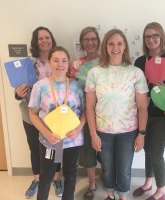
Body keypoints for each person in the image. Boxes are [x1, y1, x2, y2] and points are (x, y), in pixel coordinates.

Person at [85, 28, 149, 200]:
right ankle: (110, 195)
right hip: (102, 131)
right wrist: (93, 134)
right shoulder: (94, 73)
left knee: (124, 168)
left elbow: (142, 107)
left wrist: (141, 134)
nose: (115, 47)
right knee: (107, 167)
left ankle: (123, 196)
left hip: (128, 131)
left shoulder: (135, 73)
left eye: (119, 43)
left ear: (125, 46)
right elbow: (89, 106)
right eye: (111, 43)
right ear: (105, 46)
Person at [28, 46, 85, 200]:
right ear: (49, 62)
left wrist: (79, 128)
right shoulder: (40, 86)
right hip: (50, 141)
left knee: (70, 174)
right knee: (46, 175)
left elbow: (86, 111)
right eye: (56, 60)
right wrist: (46, 133)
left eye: (64, 60)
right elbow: (33, 114)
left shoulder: (77, 85)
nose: (60, 64)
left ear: (68, 63)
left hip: (72, 140)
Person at [14, 26, 63, 199]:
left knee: (55, 147)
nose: (44, 41)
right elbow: (19, 91)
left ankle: (56, 178)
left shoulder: (58, 60)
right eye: (40, 38)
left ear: (52, 39)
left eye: (47, 37)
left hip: (54, 115)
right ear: (35, 42)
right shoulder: (28, 63)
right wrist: (17, 93)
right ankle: (36, 179)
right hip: (31, 114)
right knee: (35, 148)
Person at [132, 22, 165, 200]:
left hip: (163, 116)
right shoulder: (139, 62)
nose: (151, 40)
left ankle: (160, 191)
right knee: (147, 150)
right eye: (147, 37)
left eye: (155, 36)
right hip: (143, 114)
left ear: (161, 37)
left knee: (156, 152)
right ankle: (148, 183)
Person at [69, 26, 100, 200]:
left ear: (98, 41)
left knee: (106, 149)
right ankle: (91, 183)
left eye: (93, 39)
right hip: (82, 113)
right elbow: (72, 89)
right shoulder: (76, 64)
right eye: (86, 39)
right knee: (87, 149)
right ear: (82, 43)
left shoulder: (106, 62)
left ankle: (107, 176)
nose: (90, 42)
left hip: (104, 114)